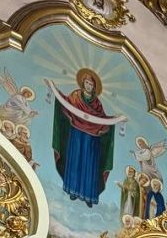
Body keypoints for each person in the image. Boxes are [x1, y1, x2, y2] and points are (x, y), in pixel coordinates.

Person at [49, 68, 116, 207]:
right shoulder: (76, 96)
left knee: (89, 165)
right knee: (75, 161)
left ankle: (88, 196)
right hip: (77, 135)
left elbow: (102, 120)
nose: (89, 86)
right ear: (82, 83)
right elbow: (66, 103)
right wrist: (55, 91)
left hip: (92, 140)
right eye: (87, 83)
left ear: (94, 87)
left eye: (91, 84)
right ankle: (73, 190)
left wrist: (115, 120)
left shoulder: (97, 103)